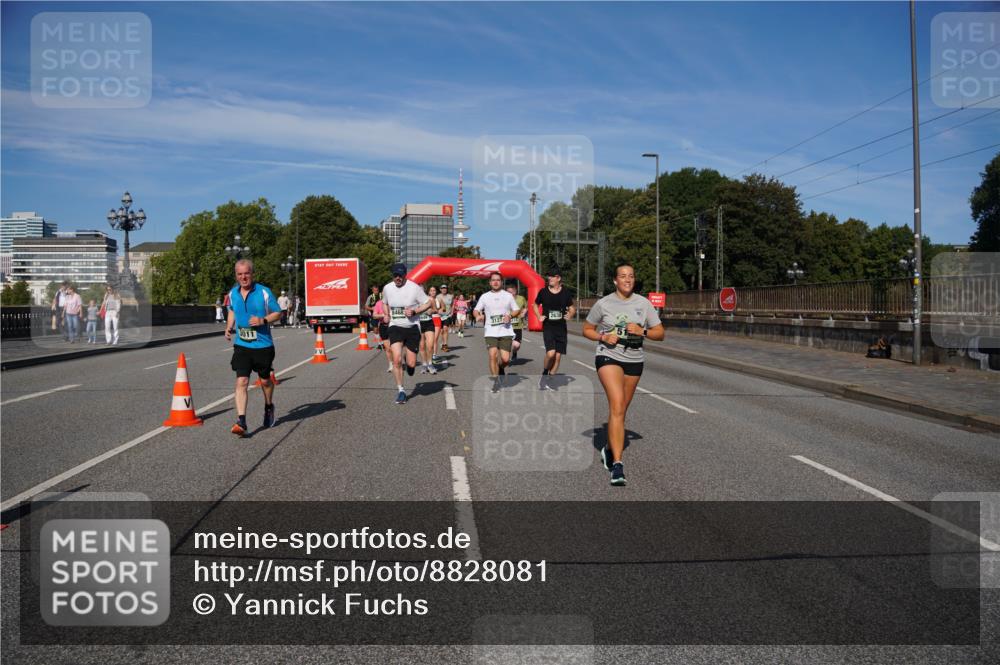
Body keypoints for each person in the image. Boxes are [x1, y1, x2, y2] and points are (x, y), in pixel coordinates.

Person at [582, 264, 665, 486]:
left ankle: (609, 448)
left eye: (631, 276)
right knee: (617, 405)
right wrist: (602, 337)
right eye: (623, 276)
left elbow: (660, 333)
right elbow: (587, 329)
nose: (627, 280)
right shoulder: (604, 303)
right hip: (608, 356)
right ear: (615, 281)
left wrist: (642, 331)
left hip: (634, 360)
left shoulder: (643, 303)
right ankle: (617, 466)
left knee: (621, 410)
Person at [224, 259, 283, 437]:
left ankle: (269, 406)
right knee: (241, 381)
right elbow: (232, 310)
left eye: (246, 273)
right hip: (242, 345)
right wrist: (229, 327)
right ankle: (241, 421)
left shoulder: (264, 292)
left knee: (265, 381)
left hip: (263, 345)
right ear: (236, 275)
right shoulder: (233, 293)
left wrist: (262, 320)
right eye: (240, 274)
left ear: (252, 274)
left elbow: (278, 313)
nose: (243, 277)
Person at [381, 262, 433, 404]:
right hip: (395, 327)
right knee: (397, 359)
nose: (397, 278)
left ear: (405, 275)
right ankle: (401, 391)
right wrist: (386, 314)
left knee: (411, 364)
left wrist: (415, 311)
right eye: (395, 275)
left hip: (412, 328)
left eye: (400, 275)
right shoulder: (387, 288)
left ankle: (410, 364)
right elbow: (384, 302)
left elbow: (428, 303)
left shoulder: (414, 288)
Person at [473, 272, 520, 392]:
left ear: (501, 282)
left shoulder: (508, 296)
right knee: (492, 355)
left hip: (505, 331)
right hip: (490, 331)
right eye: (493, 280)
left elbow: (516, 310)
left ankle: (500, 368)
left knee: (505, 359)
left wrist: (510, 315)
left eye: (498, 280)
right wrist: (477, 316)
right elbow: (476, 310)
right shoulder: (484, 296)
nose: (495, 282)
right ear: (490, 282)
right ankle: (496, 381)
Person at [533, 266, 575, 389]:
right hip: (549, 327)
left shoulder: (565, 293)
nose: (549, 278)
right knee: (551, 353)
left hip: (561, 328)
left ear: (558, 278)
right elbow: (535, 305)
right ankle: (544, 373)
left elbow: (572, 308)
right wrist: (539, 316)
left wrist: (570, 315)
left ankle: (550, 378)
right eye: (549, 276)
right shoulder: (543, 292)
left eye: (552, 276)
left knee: (557, 356)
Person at [419, 286, 440, 374]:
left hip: (429, 323)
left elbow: (436, 310)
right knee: (422, 346)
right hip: (418, 324)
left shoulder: (430, 299)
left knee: (430, 345)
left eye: (421, 288)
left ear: (424, 289)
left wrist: (432, 311)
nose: (420, 290)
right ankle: (424, 364)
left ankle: (430, 364)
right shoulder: (413, 300)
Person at [506, 280, 527, 361]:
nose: (508, 294)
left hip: (517, 326)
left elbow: (526, 307)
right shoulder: (504, 299)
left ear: (515, 291)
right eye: (507, 292)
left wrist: (524, 312)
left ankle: (514, 352)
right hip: (507, 326)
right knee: (507, 344)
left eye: (510, 292)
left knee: (517, 345)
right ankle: (505, 356)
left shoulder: (521, 298)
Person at [372, 298, 392, 370]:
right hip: (383, 326)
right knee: (387, 348)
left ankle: (397, 362)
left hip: (393, 325)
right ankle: (391, 364)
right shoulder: (379, 303)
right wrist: (384, 315)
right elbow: (374, 315)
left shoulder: (394, 300)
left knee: (394, 347)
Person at [438, 283, 454, 352]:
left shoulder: (450, 296)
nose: (444, 289)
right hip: (439, 316)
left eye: (445, 288)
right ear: (440, 289)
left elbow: (452, 304)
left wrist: (452, 312)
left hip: (447, 316)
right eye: (443, 288)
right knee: (441, 331)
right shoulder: (438, 297)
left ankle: (445, 344)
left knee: (445, 329)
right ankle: (442, 343)